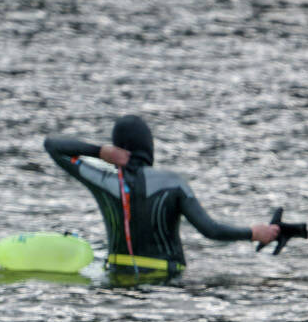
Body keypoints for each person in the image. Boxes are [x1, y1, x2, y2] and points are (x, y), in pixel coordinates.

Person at [43, 115, 279, 277]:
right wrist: (254, 233)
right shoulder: (172, 183)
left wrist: (98, 151)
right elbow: (211, 231)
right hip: (166, 281)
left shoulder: (103, 180)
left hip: (117, 276)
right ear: (149, 146)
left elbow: (52, 145)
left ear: (116, 148)